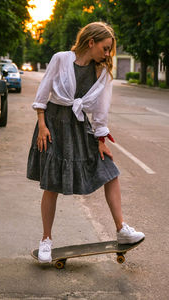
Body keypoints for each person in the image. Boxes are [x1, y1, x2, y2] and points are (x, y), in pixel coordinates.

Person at [27, 22, 145, 263]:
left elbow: (101, 110)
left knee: (110, 171)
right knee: (51, 183)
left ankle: (122, 229)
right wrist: (41, 125)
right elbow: (43, 93)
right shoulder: (61, 59)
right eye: (106, 47)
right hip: (53, 125)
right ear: (91, 42)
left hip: (81, 127)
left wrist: (102, 140)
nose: (108, 53)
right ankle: (46, 241)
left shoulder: (101, 73)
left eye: (110, 49)